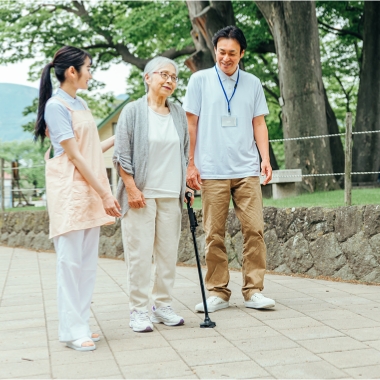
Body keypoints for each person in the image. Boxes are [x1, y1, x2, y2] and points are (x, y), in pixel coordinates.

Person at [183, 26, 275, 312]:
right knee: (214, 233)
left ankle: (253, 290)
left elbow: (259, 123)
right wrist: (190, 164)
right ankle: (218, 292)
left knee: (255, 231)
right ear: (214, 51)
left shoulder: (253, 83)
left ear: (241, 54)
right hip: (211, 169)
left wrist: (265, 158)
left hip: (246, 168)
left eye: (232, 53)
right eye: (221, 52)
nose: (226, 58)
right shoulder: (199, 81)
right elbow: (191, 124)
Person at [35, 46, 121, 351]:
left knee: (86, 263)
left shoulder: (79, 102)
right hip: (71, 191)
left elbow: (91, 149)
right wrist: (105, 193)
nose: (91, 73)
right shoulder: (56, 107)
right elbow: (74, 155)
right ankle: (71, 330)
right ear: (72, 71)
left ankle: (81, 321)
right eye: (88, 67)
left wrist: (121, 134)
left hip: (88, 189)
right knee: (69, 262)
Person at [113, 56, 192, 332]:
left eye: (174, 77)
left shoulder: (179, 113)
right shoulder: (133, 112)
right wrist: (132, 188)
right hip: (141, 196)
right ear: (148, 78)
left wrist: (185, 187)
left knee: (168, 255)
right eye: (164, 75)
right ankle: (138, 310)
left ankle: (162, 305)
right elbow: (121, 156)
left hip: (171, 194)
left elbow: (184, 153)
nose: (170, 80)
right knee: (140, 255)